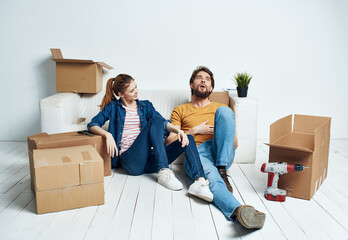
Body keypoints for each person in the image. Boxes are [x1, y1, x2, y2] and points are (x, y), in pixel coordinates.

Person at [167, 66, 266, 229]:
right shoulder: (180, 110)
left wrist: (219, 134)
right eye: (199, 77)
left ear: (211, 87)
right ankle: (238, 210)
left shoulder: (222, 109)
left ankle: (221, 168)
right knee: (212, 181)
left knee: (225, 112)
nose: (203, 80)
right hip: (197, 154)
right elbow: (169, 141)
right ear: (191, 85)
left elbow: (234, 144)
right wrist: (194, 131)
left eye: (207, 79)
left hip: (220, 151)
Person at [87, 74, 213, 202]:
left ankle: (200, 181)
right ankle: (164, 171)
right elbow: (92, 124)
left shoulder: (145, 106)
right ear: (120, 94)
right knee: (155, 121)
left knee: (188, 138)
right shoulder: (113, 108)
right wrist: (107, 135)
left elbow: (163, 122)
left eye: (136, 87)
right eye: (131, 90)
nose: (136, 92)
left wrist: (179, 131)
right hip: (131, 162)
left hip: (151, 160)